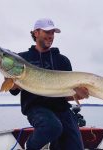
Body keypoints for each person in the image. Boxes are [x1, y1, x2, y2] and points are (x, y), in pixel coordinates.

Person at [9, 18, 89, 150]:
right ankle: (29, 145)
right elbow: (13, 91)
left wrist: (78, 94)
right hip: (36, 108)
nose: (51, 36)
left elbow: (66, 94)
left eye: (53, 33)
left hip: (61, 108)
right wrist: (16, 80)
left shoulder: (62, 60)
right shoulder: (22, 58)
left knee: (75, 146)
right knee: (52, 126)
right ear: (36, 33)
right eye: (47, 32)